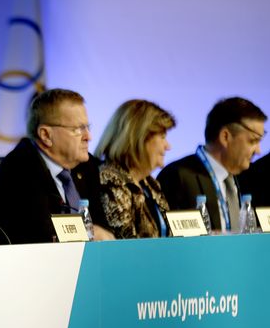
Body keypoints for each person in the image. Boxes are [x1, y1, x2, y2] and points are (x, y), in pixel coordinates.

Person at [0, 88, 113, 244]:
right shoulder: (19, 171)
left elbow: (105, 231)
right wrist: (89, 232)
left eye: (87, 127)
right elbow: (40, 235)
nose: (88, 137)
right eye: (78, 129)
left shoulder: (87, 168)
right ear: (46, 135)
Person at [158, 97, 266, 233]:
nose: (258, 150)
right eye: (253, 141)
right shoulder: (176, 177)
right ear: (225, 137)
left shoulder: (249, 178)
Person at [95, 100, 175, 239]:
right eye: (162, 137)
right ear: (140, 138)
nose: (168, 146)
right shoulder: (110, 180)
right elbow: (126, 245)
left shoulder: (150, 184)